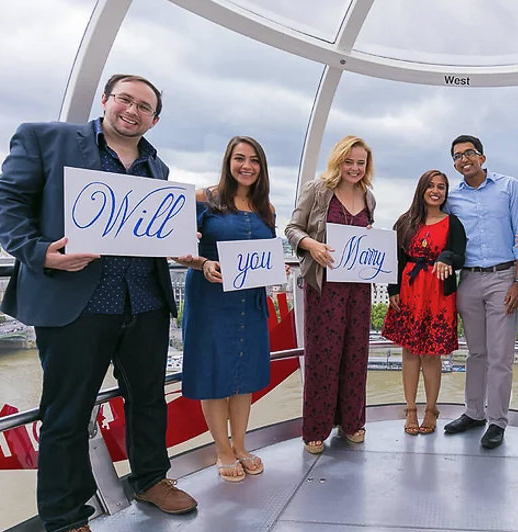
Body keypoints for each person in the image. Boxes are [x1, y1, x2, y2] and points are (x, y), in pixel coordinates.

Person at [0, 74, 197, 532]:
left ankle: (150, 479)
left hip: (143, 301)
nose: (132, 110)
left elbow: (148, 229)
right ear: (106, 100)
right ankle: (65, 519)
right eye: (125, 99)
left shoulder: (155, 164)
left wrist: (179, 248)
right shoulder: (46, 139)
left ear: (154, 119)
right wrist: (40, 254)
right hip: (76, 304)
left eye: (144, 106)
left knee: (148, 398)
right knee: (67, 412)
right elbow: (5, 201)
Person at [179, 136, 275, 482]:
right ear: (228, 162)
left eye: (254, 160)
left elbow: (266, 253)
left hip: (249, 301)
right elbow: (176, 250)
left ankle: (241, 445)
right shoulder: (203, 200)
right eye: (240, 158)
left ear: (261, 167)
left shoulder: (267, 208)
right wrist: (204, 263)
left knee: (244, 376)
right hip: (211, 299)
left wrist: (278, 267)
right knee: (215, 374)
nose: (247, 166)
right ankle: (222, 449)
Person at [285, 135, 376, 454]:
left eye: (360, 163)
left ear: (367, 166)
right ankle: (316, 429)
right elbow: (292, 229)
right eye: (348, 161)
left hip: (358, 289)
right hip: (324, 287)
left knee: (355, 355)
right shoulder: (317, 189)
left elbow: (367, 234)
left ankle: (352, 422)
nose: (354, 168)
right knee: (323, 356)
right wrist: (312, 246)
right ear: (338, 160)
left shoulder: (368, 196)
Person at [442, 135, 518, 449]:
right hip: (468, 280)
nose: (464, 159)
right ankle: (474, 412)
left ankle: (497, 421)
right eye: (457, 156)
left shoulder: (509, 187)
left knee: (500, 356)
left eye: (469, 153)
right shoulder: (452, 198)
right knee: (476, 352)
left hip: (503, 277)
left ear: (482, 156)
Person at [382, 170, 466, 435]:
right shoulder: (405, 222)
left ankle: (431, 409)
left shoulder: (453, 223)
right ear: (421, 189)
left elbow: (461, 256)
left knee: (431, 353)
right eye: (431, 186)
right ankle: (410, 409)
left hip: (439, 293)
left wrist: (446, 257)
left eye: (441, 187)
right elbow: (393, 259)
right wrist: (392, 289)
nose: (436, 191)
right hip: (408, 290)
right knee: (409, 351)